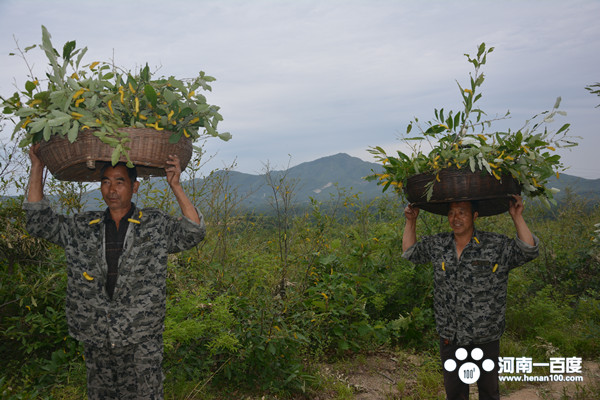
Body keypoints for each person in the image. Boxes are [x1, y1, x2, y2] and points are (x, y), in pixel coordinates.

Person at [23, 144, 206, 399]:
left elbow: (193, 232)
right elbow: (38, 222)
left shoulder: (153, 225)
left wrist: (175, 185)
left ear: (134, 186)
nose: (112, 189)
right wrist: (37, 166)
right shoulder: (84, 226)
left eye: (120, 182)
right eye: (106, 182)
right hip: (97, 335)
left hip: (141, 337)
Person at [402, 196, 538, 400]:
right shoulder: (439, 244)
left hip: (485, 335)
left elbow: (528, 250)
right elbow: (411, 252)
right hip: (451, 334)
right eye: (451, 213)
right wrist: (411, 221)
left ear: (475, 215)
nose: (455, 218)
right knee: (455, 394)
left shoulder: (495, 245)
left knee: (489, 393)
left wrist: (517, 216)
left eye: (461, 212)